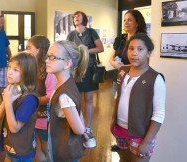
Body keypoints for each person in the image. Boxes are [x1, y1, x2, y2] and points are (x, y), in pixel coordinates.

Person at [110, 33, 166, 162]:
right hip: (120, 129)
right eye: (131, 48)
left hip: (141, 134)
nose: (134, 53)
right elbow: (117, 98)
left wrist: (146, 142)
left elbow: (159, 114)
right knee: (123, 159)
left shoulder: (155, 78)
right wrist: (113, 122)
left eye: (140, 49)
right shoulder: (122, 71)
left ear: (148, 52)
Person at [46, 40, 89, 161]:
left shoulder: (64, 96)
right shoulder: (67, 84)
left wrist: (83, 131)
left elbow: (79, 129)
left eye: (52, 57)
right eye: (47, 56)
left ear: (67, 63)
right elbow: (78, 113)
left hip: (65, 152)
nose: (47, 61)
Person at [66, 11, 104, 148]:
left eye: (78, 16)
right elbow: (68, 51)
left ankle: (87, 127)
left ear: (84, 18)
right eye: (74, 17)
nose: (76, 18)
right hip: (75, 71)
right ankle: (77, 125)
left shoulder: (91, 32)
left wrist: (86, 50)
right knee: (75, 99)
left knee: (88, 99)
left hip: (89, 70)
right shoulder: (71, 35)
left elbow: (101, 48)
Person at [0, 52, 39, 162]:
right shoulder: (12, 89)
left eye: (15, 70)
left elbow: (14, 128)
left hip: (21, 151)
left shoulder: (29, 99)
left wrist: (8, 103)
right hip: (11, 147)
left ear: (27, 74)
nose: (9, 72)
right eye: (9, 67)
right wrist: (6, 101)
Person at [26, 35, 57, 162]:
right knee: (37, 147)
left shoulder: (49, 72)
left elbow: (51, 96)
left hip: (44, 119)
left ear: (39, 50)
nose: (27, 50)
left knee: (46, 148)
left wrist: (32, 101)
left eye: (29, 48)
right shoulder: (33, 67)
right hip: (34, 117)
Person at [109, 9, 147, 94]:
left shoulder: (142, 40)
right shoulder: (120, 39)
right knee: (118, 104)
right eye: (124, 20)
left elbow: (145, 62)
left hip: (134, 78)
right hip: (118, 78)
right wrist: (114, 64)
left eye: (129, 20)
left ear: (137, 23)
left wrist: (124, 67)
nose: (126, 22)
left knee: (132, 105)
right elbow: (111, 58)